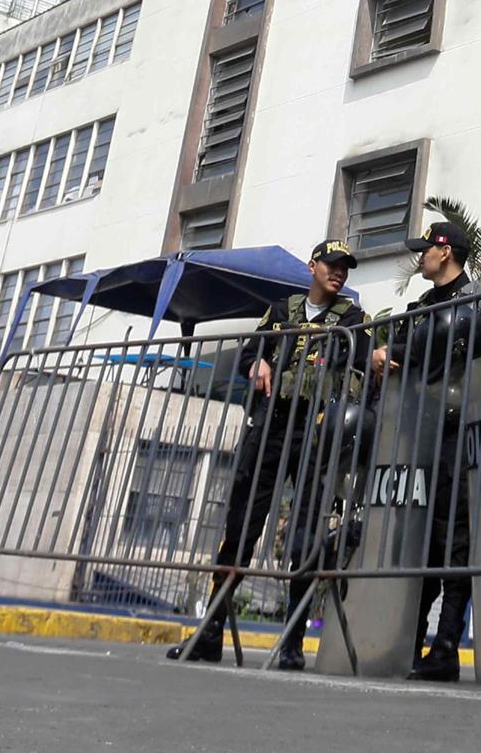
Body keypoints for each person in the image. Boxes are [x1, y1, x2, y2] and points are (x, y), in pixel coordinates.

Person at [168, 240, 368, 671]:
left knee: (306, 531)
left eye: (345, 268)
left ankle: (293, 641)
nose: (339, 273)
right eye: (332, 265)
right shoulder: (283, 310)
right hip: (272, 424)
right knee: (241, 526)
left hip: (314, 428)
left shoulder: (352, 318)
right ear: (313, 266)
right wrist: (257, 362)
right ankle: (210, 631)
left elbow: (365, 360)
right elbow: (249, 352)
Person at [392, 220, 481, 682]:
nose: (421, 257)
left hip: (455, 434)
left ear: (445, 252)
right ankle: (410, 643)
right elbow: (397, 346)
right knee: (422, 540)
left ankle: (445, 644)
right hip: (420, 433)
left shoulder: (474, 306)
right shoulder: (423, 305)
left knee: (454, 539)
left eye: (426, 249)